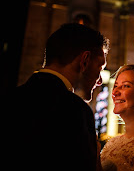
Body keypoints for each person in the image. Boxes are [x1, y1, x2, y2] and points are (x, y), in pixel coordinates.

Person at [11, 23, 109, 171]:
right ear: (85, 60)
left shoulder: (11, 98)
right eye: (100, 68)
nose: (100, 80)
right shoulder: (76, 111)